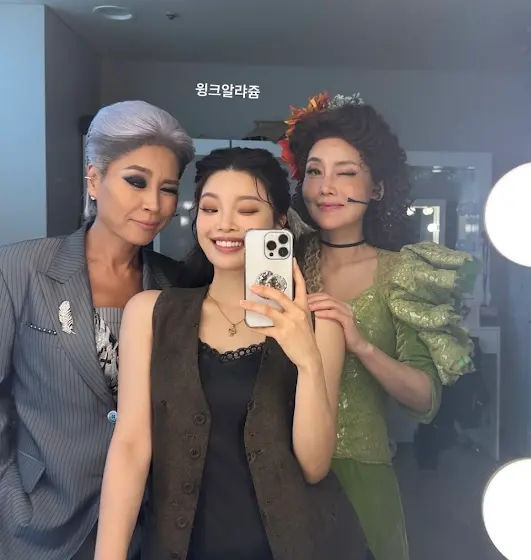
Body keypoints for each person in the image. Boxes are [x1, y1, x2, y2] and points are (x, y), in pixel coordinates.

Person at [93, 147, 372, 560]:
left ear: (279, 221)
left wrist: (308, 361)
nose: (224, 224)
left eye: (246, 210)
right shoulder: (151, 313)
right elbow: (130, 447)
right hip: (180, 546)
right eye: (210, 209)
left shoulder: (318, 323)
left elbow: (314, 467)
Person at [280, 92, 480, 560]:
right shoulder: (281, 262)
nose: (325, 187)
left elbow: (425, 399)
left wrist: (362, 345)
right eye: (314, 172)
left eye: (345, 173)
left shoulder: (403, 273)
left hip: (362, 475)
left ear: (377, 189)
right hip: (278, 465)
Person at [0, 100, 194, 560]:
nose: (153, 204)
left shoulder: (176, 285)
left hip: (146, 526)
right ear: (94, 179)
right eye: (136, 181)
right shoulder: (20, 268)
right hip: (39, 522)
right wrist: (9, 494)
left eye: (168, 189)